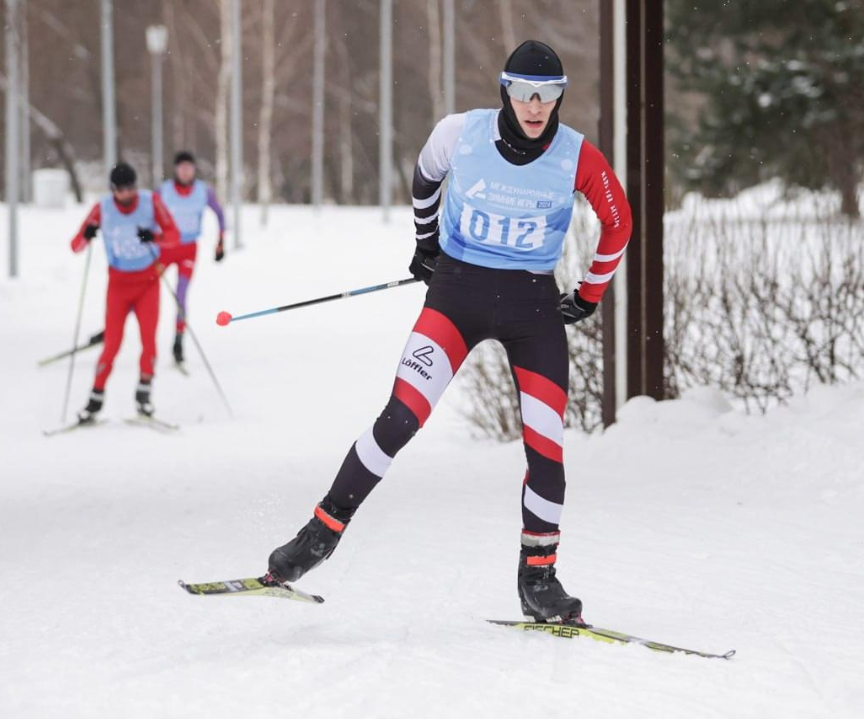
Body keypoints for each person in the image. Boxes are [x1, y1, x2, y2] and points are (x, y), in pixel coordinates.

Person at [267, 41, 632, 624]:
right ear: (504, 92)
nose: (535, 106)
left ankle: (538, 579)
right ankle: (318, 535)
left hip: (530, 306)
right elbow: (425, 176)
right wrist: (425, 243)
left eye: (549, 94)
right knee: (400, 417)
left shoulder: (576, 156)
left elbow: (619, 220)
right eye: (523, 92)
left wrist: (588, 293)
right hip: (457, 295)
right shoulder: (460, 132)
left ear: (561, 96)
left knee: (547, 448)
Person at [70, 162, 181, 421]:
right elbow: (75, 246)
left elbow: (174, 236)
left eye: (131, 187)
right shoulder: (103, 208)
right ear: (113, 190)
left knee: (149, 342)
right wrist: (87, 234)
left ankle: (144, 396)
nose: (127, 194)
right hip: (118, 286)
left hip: (148, 282)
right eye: (121, 189)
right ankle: (94, 401)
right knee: (112, 345)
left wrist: (154, 237)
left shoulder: (150, 201)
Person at [158, 151, 227, 366]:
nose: (186, 171)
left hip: (188, 249)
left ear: (194, 170)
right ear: (176, 169)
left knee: (181, 294)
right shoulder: (164, 190)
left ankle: (178, 341)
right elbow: (149, 214)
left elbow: (220, 215)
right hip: (165, 248)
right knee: (144, 285)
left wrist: (220, 242)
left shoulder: (203, 192)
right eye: (182, 167)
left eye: (189, 167)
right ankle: (113, 328)